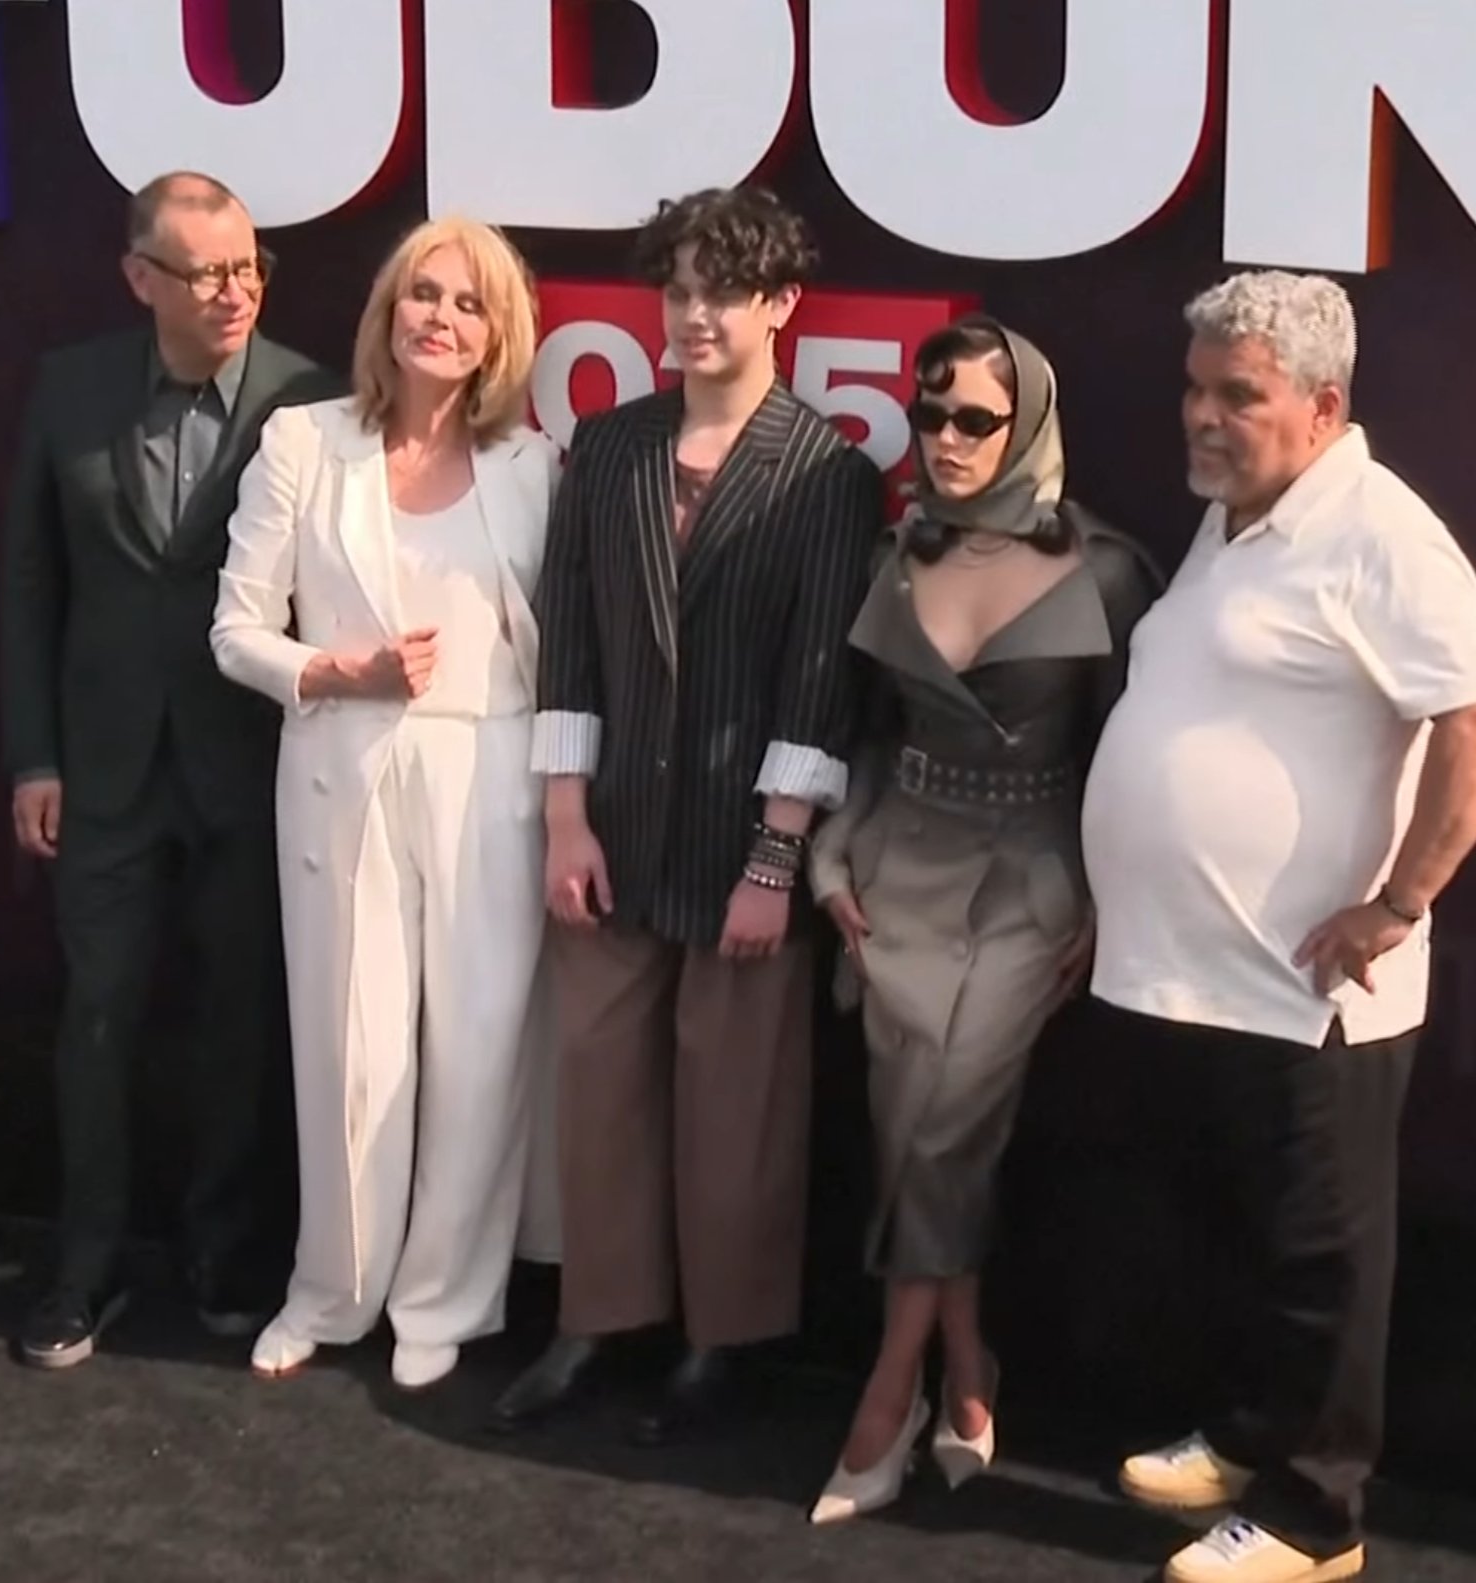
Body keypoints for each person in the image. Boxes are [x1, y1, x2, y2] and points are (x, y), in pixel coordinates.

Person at [1083, 271, 1476, 1583]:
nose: (1200, 418)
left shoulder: (1378, 530)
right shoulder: (1236, 519)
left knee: (1319, 1253)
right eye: (1194, 390)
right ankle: (1248, 1436)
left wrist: (1398, 901)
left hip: (1306, 989)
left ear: (1323, 407)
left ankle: (1315, 1516)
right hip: (1190, 974)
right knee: (1235, 1235)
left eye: (1239, 396)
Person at [488, 185, 887, 1445]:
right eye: (680, 289)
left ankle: (724, 1339)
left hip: (740, 845)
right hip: (609, 832)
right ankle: (595, 1318)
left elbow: (817, 681)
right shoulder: (607, 448)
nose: (695, 313)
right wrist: (565, 817)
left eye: (725, 291)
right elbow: (570, 643)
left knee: (737, 1107)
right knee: (599, 1089)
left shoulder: (827, 473)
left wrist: (773, 860)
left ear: (781, 305)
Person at [801, 314, 1164, 1523]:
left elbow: (1134, 757)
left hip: (1031, 881)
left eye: (975, 419)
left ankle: (884, 1390)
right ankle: (966, 1362)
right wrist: (827, 856)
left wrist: (1110, 900)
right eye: (930, 413)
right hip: (894, 872)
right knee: (911, 1126)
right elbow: (862, 731)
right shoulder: (894, 552)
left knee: (947, 1120)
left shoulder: (1107, 571)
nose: (946, 439)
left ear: (1029, 423)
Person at [0, 171, 345, 1368]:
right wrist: (34, 755)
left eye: (249, 267)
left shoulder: (311, 399)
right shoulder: (71, 388)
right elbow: (29, 585)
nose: (235, 291)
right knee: (97, 1016)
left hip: (249, 766)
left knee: (241, 1021)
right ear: (140, 278)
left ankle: (224, 1251)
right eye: (207, 273)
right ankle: (86, 1267)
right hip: (100, 772)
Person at [209, 217, 560, 1393]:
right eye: (424, 293)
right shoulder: (305, 441)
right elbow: (235, 629)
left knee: (479, 1046)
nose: (440, 319)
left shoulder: (529, 466)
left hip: (490, 772)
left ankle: (443, 1298)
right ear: (387, 309)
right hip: (341, 765)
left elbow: (561, 646)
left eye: (468, 303)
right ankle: (332, 1289)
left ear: (498, 335)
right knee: (348, 1051)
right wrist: (333, 670)